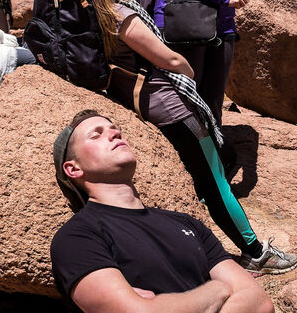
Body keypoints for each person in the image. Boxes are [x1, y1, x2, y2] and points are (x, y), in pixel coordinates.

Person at [53, 0, 297, 275]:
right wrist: (185, 70)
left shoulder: (78, 5)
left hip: (131, 99)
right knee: (215, 182)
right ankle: (255, 252)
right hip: (168, 106)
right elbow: (166, 58)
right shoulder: (113, 7)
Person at [51, 109, 276, 313]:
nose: (114, 134)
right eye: (96, 135)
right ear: (73, 168)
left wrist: (158, 304)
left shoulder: (188, 224)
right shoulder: (77, 238)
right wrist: (217, 290)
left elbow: (259, 302)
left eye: (115, 130)